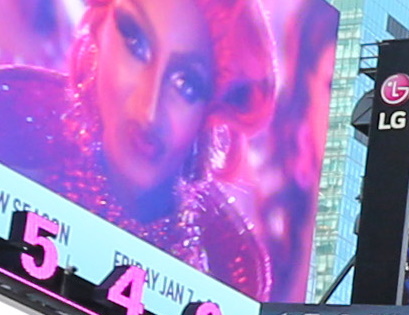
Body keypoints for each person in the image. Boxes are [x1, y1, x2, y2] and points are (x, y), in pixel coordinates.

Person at [0, 0, 276, 297]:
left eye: (187, 84)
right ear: (98, 31)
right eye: (136, 43)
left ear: (212, 112)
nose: (149, 108)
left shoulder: (219, 285)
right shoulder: (15, 179)